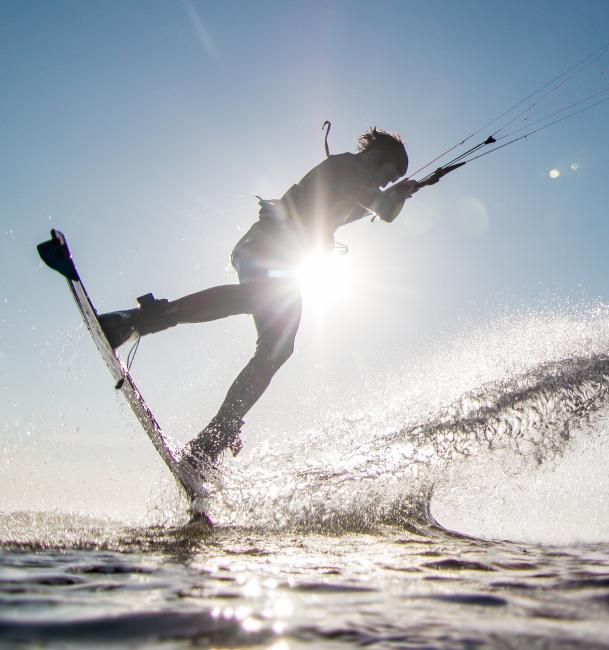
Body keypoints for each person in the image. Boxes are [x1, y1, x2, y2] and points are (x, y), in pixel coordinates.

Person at [98, 127, 418, 473]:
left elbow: (372, 205)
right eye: (390, 173)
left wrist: (399, 193)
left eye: (392, 179)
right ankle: (135, 320)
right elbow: (381, 208)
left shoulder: (360, 183)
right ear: (377, 157)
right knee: (260, 299)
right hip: (266, 246)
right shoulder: (349, 168)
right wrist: (395, 196)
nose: (386, 181)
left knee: (278, 348)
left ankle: (211, 440)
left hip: (283, 262)